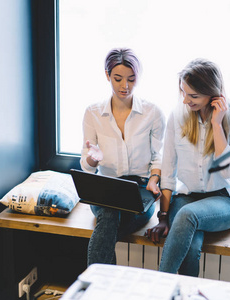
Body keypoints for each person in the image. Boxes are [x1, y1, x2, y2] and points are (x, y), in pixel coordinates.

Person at [145, 58, 230, 276]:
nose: (185, 101)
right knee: (190, 247)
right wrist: (163, 218)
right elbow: (169, 169)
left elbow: (229, 171)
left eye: (193, 96)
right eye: (183, 93)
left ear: (213, 94)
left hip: (225, 200)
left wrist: (217, 124)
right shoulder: (179, 115)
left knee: (186, 215)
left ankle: (159, 287)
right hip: (187, 196)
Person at [80, 48, 165, 266]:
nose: (124, 86)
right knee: (109, 213)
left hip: (138, 193)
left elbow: (159, 157)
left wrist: (154, 179)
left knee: (108, 223)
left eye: (131, 79)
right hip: (105, 191)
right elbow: (86, 166)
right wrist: (93, 159)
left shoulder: (152, 113)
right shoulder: (93, 113)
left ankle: (95, 287)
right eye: (117, 79)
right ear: (107, 75)